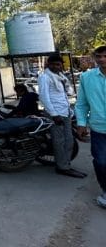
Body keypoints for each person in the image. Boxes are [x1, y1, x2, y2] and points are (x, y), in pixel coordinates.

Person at [38, 54, 85, 178]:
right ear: (48, 64)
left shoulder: (60, 76)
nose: (55, 66)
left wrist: (66, 82)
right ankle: (63, 167)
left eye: (58, 64)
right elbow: (44, 97)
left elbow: (68, 93)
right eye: (52, 64)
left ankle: (65, 164)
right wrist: (54, 115)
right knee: (59, 141)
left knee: (69, 141)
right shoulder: (45, 77)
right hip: (55, 114)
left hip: (65, 112)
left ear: (61, 65)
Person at [75, 45, 106, 207]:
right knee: (101, 161)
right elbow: (81, 104)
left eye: (105, 56)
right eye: (99, 56)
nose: (102, 59)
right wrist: (81, 123)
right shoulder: (87, 78)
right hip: (99, 128)